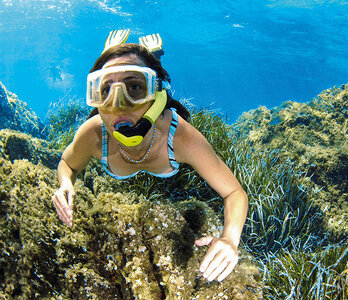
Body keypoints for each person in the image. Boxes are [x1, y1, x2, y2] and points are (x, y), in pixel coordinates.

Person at [52, 42, 248, 282]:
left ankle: (152, 57)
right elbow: (68, 164)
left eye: (134, 87)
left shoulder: (182, 138)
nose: (118, 105)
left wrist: (230, 239)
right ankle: (119, 58)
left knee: (148, 64)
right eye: (105, 91)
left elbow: (234, 193)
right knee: (122, 65)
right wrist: (65, 183)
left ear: (155, 97)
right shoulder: (92, 134)